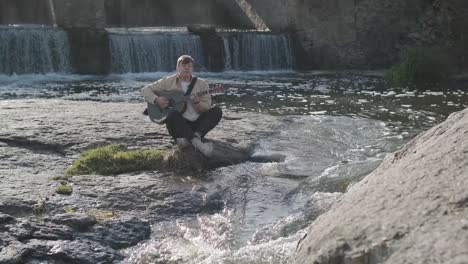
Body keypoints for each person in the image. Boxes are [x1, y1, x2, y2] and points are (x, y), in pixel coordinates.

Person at [142, 55, 222, 157]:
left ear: (192, 69)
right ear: (177, 68)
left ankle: (195, 136)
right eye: (183, 65)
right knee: (172, 114)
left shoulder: (202, 84)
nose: (186, 68)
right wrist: (156, 99)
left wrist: (197, 103)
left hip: (197, 125)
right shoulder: (167, 81)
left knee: (217, 110)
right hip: (179, 126)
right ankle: (198, 144)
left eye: (189, 66)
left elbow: (206, 107)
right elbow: (145, 90)